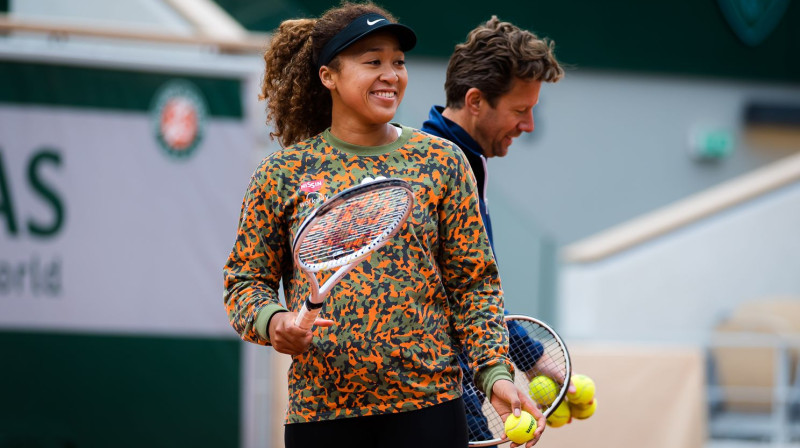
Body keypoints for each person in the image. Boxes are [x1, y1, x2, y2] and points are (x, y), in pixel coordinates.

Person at [222, 3, 543, 448]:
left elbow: (475, 285)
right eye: (373, 62)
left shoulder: (441, 162)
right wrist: (273, 321)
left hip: (429, 408)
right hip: (321, 411)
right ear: (328, 76)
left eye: (398, 62)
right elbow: (244, 281)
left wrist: (494, 374)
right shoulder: (282, 173)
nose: (391, 74)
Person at [420, 16, 567, 441]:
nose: (529, 126)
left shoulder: (461, 160)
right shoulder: (444, 168)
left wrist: (531, 357)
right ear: (475, 101)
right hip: (440, 388)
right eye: (520, 111)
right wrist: (530, 355)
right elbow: (462, 292)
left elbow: (473, 287)